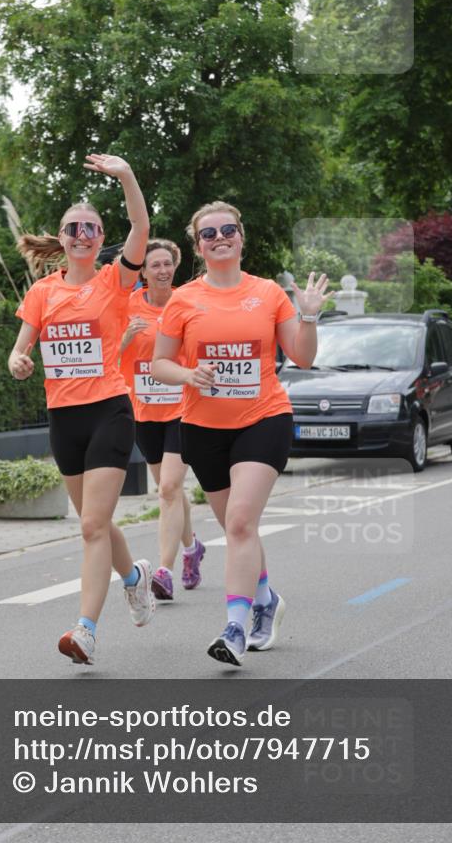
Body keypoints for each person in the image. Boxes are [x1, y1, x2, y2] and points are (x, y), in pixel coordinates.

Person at [152, 201, 332, 666]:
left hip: (263, 419)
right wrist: (189, 375)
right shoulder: (184, 299)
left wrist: (308, 316)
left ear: (241, 236)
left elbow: (304, 357)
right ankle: (267, 599)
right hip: (202, 427)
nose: (219, 238)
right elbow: (160, 363)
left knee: (239, 522)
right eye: (208, 234)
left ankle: (235, 627)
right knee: (237, 528)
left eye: (227, 229)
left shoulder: (268, 293)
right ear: (198, 246)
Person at [8, 154, 155, 666]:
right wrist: (19, 360)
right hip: (63, 419)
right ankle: (134, 578)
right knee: (96, 522)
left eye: (91, 227)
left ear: (99, 237)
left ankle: (85, 630)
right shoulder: (43, 291)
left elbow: (141, 224)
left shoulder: (115, 280)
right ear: (63, 237)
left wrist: (125, 175)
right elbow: (20, 348)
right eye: (73, 228)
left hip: (109, 412)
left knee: (93, 525)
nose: (82, 234)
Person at [119, 240, 206, 601]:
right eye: (154, 265)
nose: (162, 270)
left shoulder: (186, 303)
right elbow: (108, 356)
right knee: (170, 491)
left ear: (175, 266)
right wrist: (124, 338)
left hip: (181, 407)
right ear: (143, 271)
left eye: (167, 264)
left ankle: (163, 571)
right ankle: (192, 548)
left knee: (169, 488)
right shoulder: (126, 306)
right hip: (144, 410)